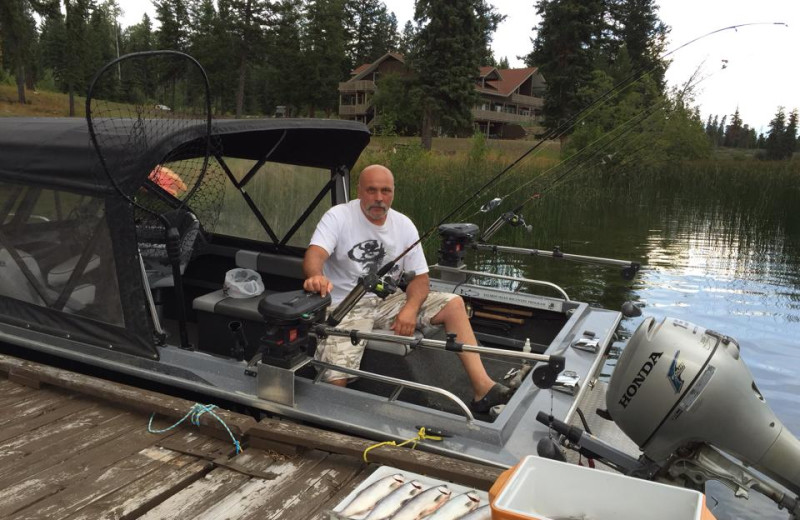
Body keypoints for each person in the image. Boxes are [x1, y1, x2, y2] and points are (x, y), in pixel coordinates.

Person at [303, 164, 509, 413]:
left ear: (393, 193)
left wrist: (410, 309)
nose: (379, 198)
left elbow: (421, 279)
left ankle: (483, 389)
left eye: (385, 191)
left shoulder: (404, 225)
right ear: (359, 191)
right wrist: (316, 276)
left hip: (387, 301)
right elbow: (315, 254)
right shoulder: (338, 216)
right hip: (345, 305)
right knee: (335, 373)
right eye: (372, 190)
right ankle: (331, 422)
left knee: (454, 304)